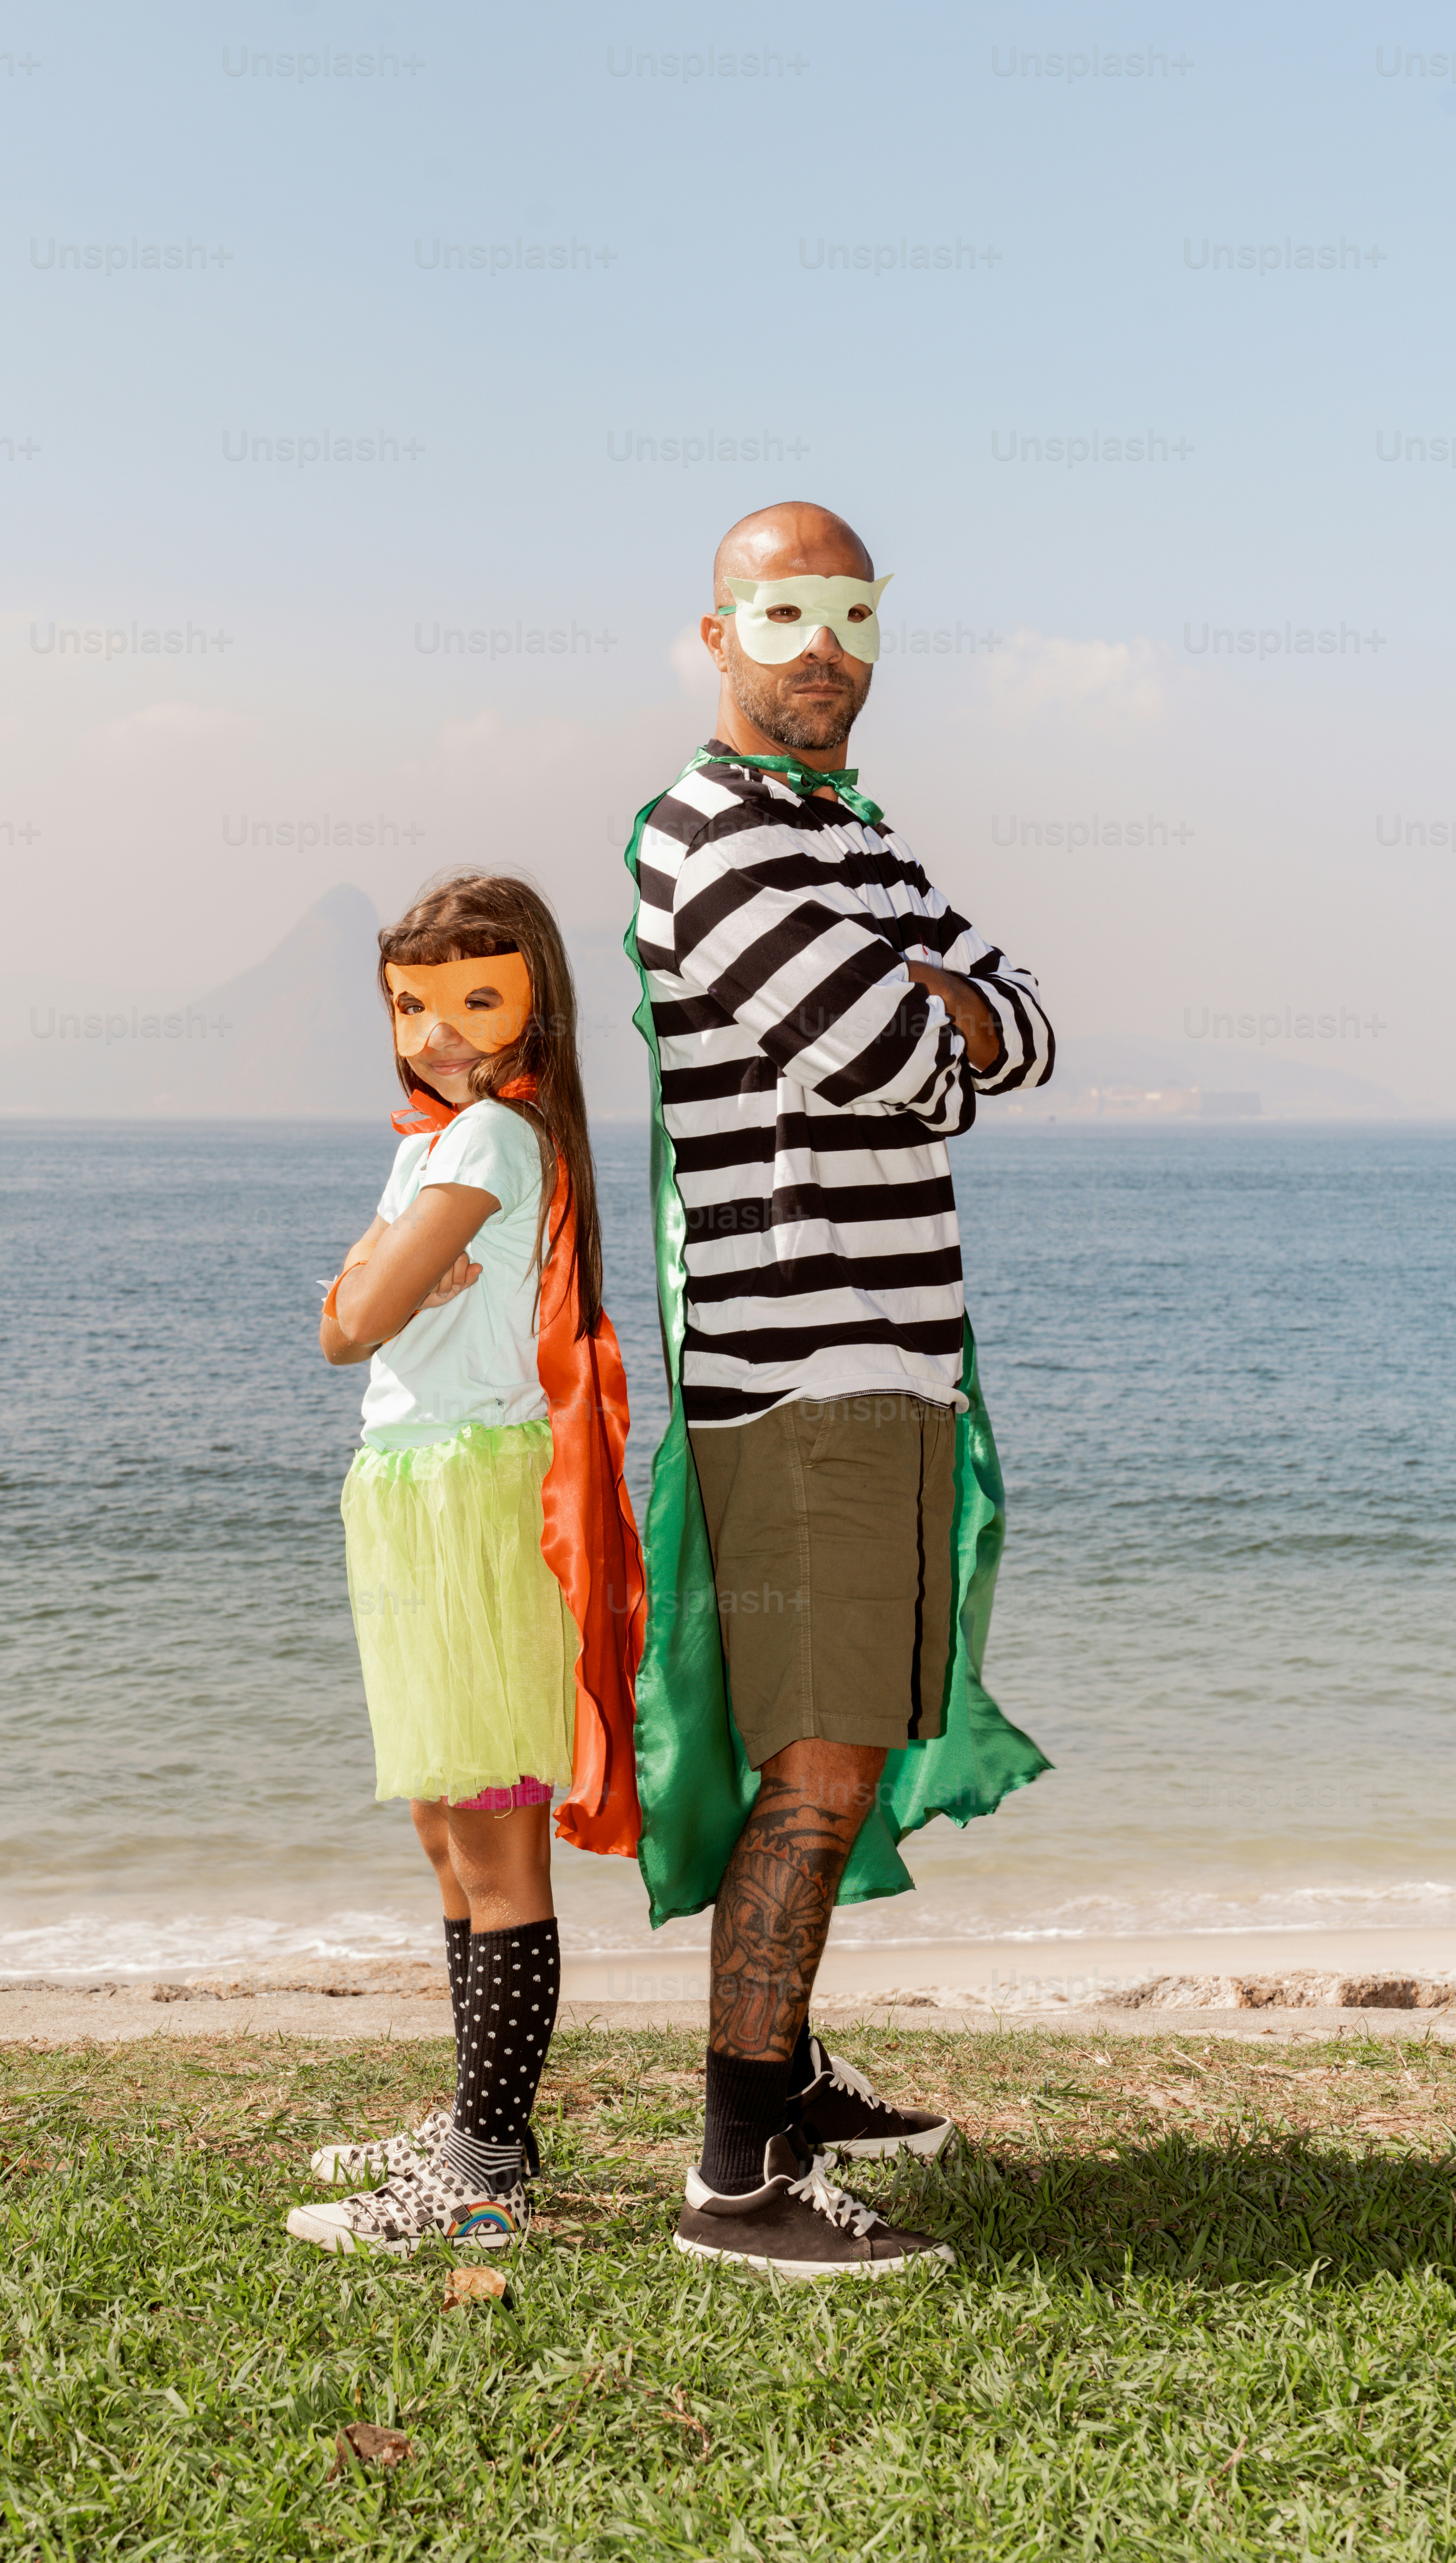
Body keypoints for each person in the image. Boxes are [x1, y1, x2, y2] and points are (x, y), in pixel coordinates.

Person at [621, 502, 1055, 2278]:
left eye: (850, 612)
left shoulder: (853, 835)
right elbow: (898, 1047)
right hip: (799, 1367)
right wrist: (932, 1019)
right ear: (714, 631)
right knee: (815, 1758)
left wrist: (936, 1016)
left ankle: (783, 2082)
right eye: (781, 609)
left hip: (889, 1358)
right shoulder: (700, 834)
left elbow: (1027, 1020)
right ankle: (736, 2176)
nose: (821, 644)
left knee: (847, 1735)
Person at [287, 873, 642, 2257]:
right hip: (415, 1484)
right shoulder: (443, 1140)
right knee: (447, 1824)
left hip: (474, 1492)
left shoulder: (490, 1137)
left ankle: (483, 2174)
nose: (438, 1032)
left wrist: (368, 1275)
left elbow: (349, 1317)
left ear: (534, 1003)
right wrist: (368, 1279)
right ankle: (474, 2118)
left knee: (494, 1839)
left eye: (474, 1001)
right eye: (411, 1006)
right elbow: (352, 1318)